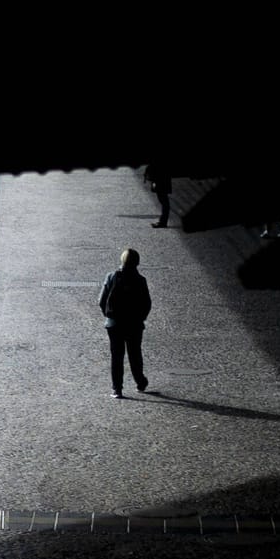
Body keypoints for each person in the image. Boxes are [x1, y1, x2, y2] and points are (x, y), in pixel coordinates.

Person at [98, 247, 152, 398]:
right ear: (137, 262)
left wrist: (109, 316)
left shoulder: (111, 277)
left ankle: (117, 389)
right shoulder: (141, 280)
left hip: (114, 324)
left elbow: (102, 300)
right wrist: (140, 319)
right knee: (135, 354)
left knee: (117, 356)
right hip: (134, 324)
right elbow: (146, 303)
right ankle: (140, 382)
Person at [146, 163, 172, 229]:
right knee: (163, 200)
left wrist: (154, 180)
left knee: (164, 201)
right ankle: (163, 221)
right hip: (162, 178)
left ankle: (163, 222)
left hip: (160, 179)